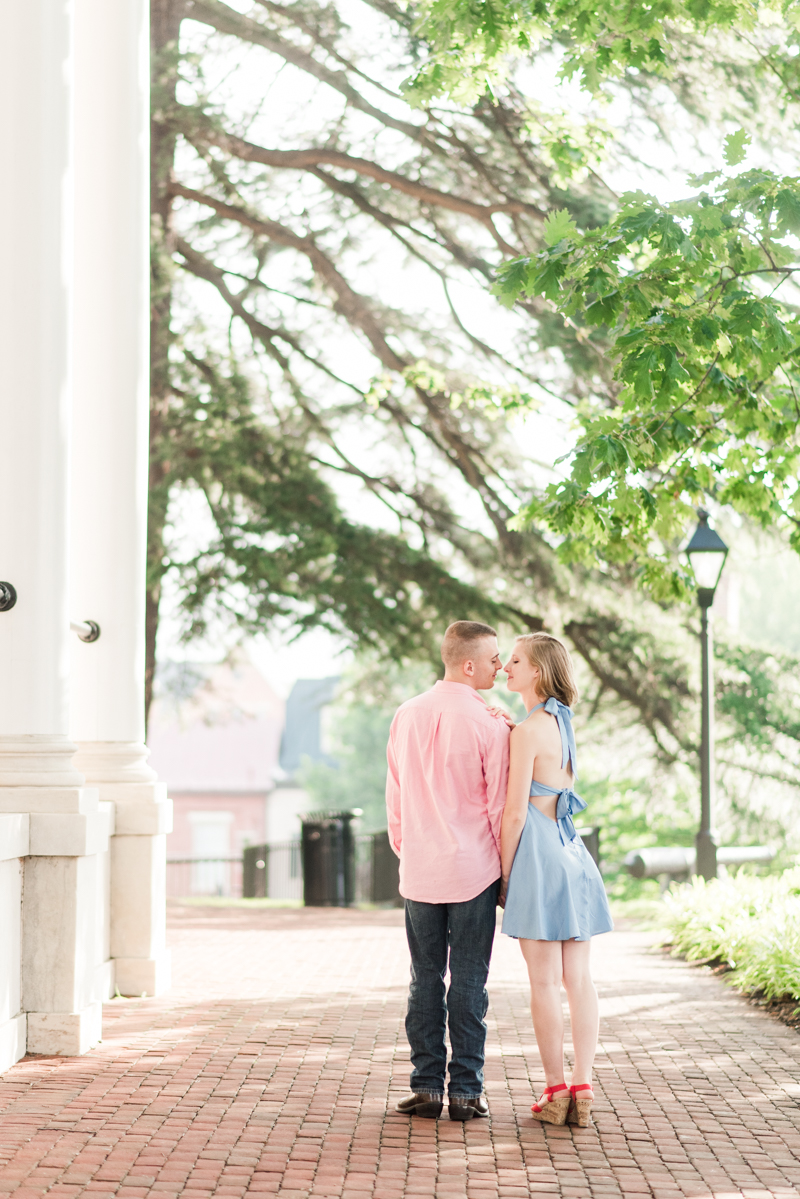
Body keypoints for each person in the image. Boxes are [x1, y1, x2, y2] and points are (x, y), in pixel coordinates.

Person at [386, 621, 511, 1121]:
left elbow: (394, 795)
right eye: (494, 659)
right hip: (475, 870)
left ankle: (425, 1087)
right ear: (468, 664)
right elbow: (500, 807)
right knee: (469, 980)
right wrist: (506, 872)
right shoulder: (491, 724)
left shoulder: (406, 714)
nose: (500, 667)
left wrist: (408, 848)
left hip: (420, 870)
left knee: (424, 979)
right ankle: (465, 1092)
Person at [499, 632, 612, 1128]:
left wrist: (505, 877)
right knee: (579, 980)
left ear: (538, 672)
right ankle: (583, 1086)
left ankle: (555, 1091)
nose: (506, 667)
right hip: (574, 854)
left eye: (516, 661)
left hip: (540, 857)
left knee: (543, 982)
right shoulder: (562, 726)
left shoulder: (526, 732)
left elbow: (514, 816)